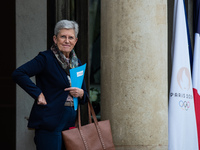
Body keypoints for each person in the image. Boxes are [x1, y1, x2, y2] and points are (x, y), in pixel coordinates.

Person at [12, 20, 88, 150]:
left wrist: (81, 94)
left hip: (70, 122)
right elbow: (19, 73)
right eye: (63, 36)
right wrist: (38, 94)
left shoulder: (77, 63)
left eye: (70, 37)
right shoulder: (45, 58)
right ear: (55, 38)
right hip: (50, 120)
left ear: (75, 41)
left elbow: (85, 94)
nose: (67, 41)